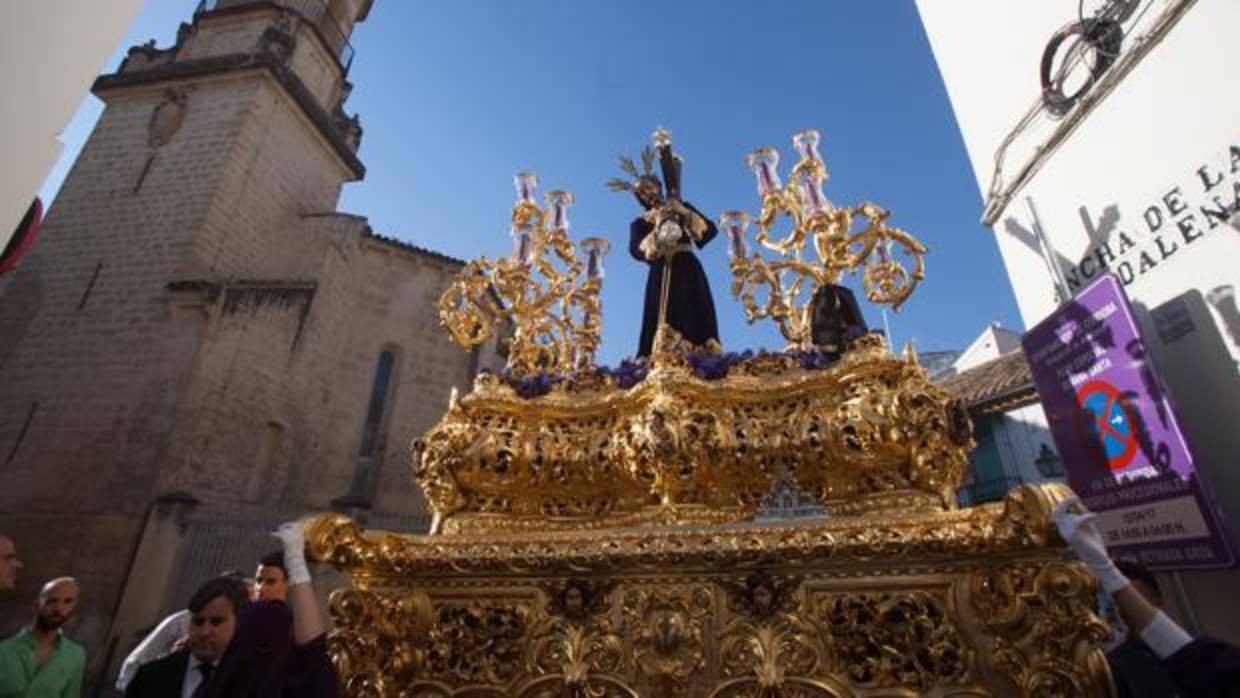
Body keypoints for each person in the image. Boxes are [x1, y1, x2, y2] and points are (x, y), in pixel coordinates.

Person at [1055, 497, 1240, 698]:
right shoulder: (1114, 665)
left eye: (1135, 604)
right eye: (1120, 607)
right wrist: (1106, 570)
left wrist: (1107, 570)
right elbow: (1204, 665)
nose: (1126, 615)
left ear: (1157, 601)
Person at [200, 522, 337, 698]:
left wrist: (296, 564)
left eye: (270, 582)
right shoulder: (246, 612)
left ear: (287, 584)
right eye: (258, 581)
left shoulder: (283, 617)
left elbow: (312, 655)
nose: (262, 588)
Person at [610, 140, 720, 358]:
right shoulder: (640, 222)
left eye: (650, 187)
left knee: (696, 311)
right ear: (640, 198)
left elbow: (710, 232)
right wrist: (659, 227)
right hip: (661, 271)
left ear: (658, 186)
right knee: (662, 317)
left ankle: (704, 356)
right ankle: (659, 357)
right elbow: (636, 250)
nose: (648, 193)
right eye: (642, 192)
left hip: (688, 268)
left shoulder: (681, 206)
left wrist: (684, 213)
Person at [115, 571, 256, 692]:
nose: (205, 631)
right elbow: (136, 661)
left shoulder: (250, 677)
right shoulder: (180, 621)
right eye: (199, 622)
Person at [1105, 561, 1182, 697]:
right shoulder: (1114, 668)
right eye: (1118, 605)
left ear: (1157, 602)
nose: (1124, 611)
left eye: (1134, 603)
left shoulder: (1193, 651)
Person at [0, 577, 85, 698]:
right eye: (52, 601)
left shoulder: (76, 655)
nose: (59, 608)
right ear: (37, 604)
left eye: (68, 601)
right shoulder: (4, 650)